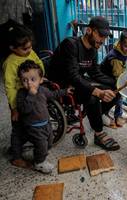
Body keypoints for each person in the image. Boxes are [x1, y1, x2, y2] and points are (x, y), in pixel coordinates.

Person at [48, 16, 120, 151]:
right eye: (100, 35)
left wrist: (117, 82)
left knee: (116, 91)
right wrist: (97, 92)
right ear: (89, 31)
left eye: (105, 37)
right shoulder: (70, 44)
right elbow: (72, 75)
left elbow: (95, 72)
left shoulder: (93, 49)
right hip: (62, 85)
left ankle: (96, 115)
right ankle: (99, 133)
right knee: (92, 97)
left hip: (76, 81)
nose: (103, 40)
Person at [16, 60, 73, 173]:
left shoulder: (43, 90)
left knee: (49, 141)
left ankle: (39, 151)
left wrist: (65, 91)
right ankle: (39, 162)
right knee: (42, 144)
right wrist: (31, 95)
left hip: (46, 123)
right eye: (24, 80)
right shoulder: (21, 94)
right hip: (34, 127)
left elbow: (53, 95)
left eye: (33, 79)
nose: (29, 83)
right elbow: (24, 110)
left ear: (41, 80)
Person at [2, 24, 44, 168]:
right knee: (18, 128)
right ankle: (17, 157)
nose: (29, 51)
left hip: (33, 93)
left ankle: (25, 143)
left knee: (30, 122)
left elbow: (39, 63)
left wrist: (40, 78)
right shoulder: (10, 63)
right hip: (19, 99)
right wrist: (14, 108)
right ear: (12, 48)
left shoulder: (30, 53)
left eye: (30, 47)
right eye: (25, 49)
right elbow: (10, 87)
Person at [100, 30, 127, 127]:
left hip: (112, 76)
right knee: (117, 96)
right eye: (126, 46)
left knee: (119, 97)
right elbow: (118, 76)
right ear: (120, 43)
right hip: (106, 79)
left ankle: (117, 114)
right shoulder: (116, 58)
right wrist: (125, 85)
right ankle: (103, 114)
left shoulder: (120, 49)